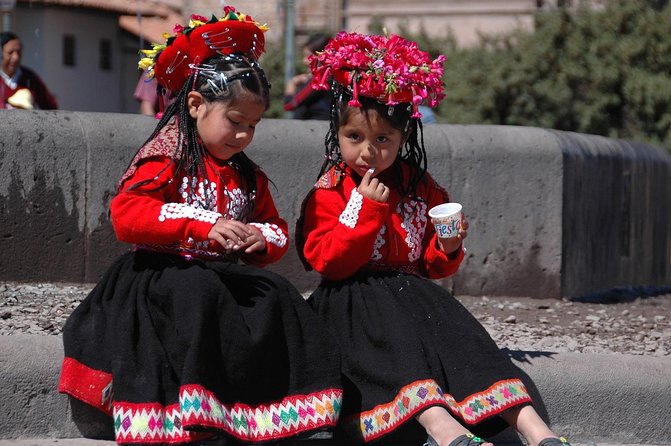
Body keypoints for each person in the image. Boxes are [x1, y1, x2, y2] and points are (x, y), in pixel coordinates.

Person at [58, 7, 342, 445]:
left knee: (278, 294)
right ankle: (198, 415)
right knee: (199, 293)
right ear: (195, 105)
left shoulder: (248, 175)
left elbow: (276, 227)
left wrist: (257, 239)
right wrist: (200, 226)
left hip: (223, 273)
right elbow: (127, 214)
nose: (244, 135)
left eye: (252, 126)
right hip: (162, 274)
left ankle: (295, 412)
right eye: (234, 121)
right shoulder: (165, 157)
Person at [296, 31, 571, 446]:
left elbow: (428, 264)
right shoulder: (330, 188)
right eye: (355, 138)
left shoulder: (420, 187)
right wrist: (367, 210)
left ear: (404, 138)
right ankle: (443, 429)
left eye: (382, 140)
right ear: (337, 132)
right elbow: (327, 261)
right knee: (399, 352)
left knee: (465, 340)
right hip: (351, 301)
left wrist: (447, 247)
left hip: (413, 294)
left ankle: (537, 430)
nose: (368, 152)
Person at [1, 31, 58, 110]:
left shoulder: (30, 79)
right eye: (10, 53)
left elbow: (51, 106)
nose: (15, 57)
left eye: (18, 52)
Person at [283, 33, 332, 120]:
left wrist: (292, 83)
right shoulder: (331, 79)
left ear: (321, 57)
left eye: (308, 57)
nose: (304, 61)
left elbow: (289, 105)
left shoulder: (320, 81)